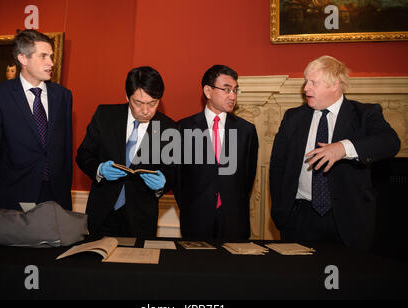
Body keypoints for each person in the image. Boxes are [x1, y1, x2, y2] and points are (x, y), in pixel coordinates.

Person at [269, 55, 400, 251]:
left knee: (346, 280)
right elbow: (278, 166)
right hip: (299, 218)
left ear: (335, 85)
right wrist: (281, 211)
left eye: (313, 82)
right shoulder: (293, 117)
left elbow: (390, 142)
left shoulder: (365, 114)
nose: (306, 88)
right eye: (306, 81)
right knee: (299, 280)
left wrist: (343, 148)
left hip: (347, 221)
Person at [0, 29, 73, 211]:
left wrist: (66, 204)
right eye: (43, 56)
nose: (51, 63)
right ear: (23, 59)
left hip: (54, 198)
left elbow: (65, 151)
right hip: (12, 199)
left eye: (51, 56)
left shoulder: (63, 96)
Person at [76, 66, 177, 237]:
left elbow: (173, 171)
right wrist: (99, 169)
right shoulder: (105, 115)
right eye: (138, 103)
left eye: (153, 103)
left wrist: (163, 185)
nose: (146, 111)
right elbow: (84, 154)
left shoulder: (169, 128)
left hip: (141, 219)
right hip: (101, 214)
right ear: (127, 97)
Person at [176, 65, 258, 240]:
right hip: (196, 219)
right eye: (226, 89)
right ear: (208, 91)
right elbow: (179, 177)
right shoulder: (184, 128)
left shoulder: (247, 130)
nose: (233, 96)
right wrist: (191, 206)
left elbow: (248, 177)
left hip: (234, 220)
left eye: (235, 90)